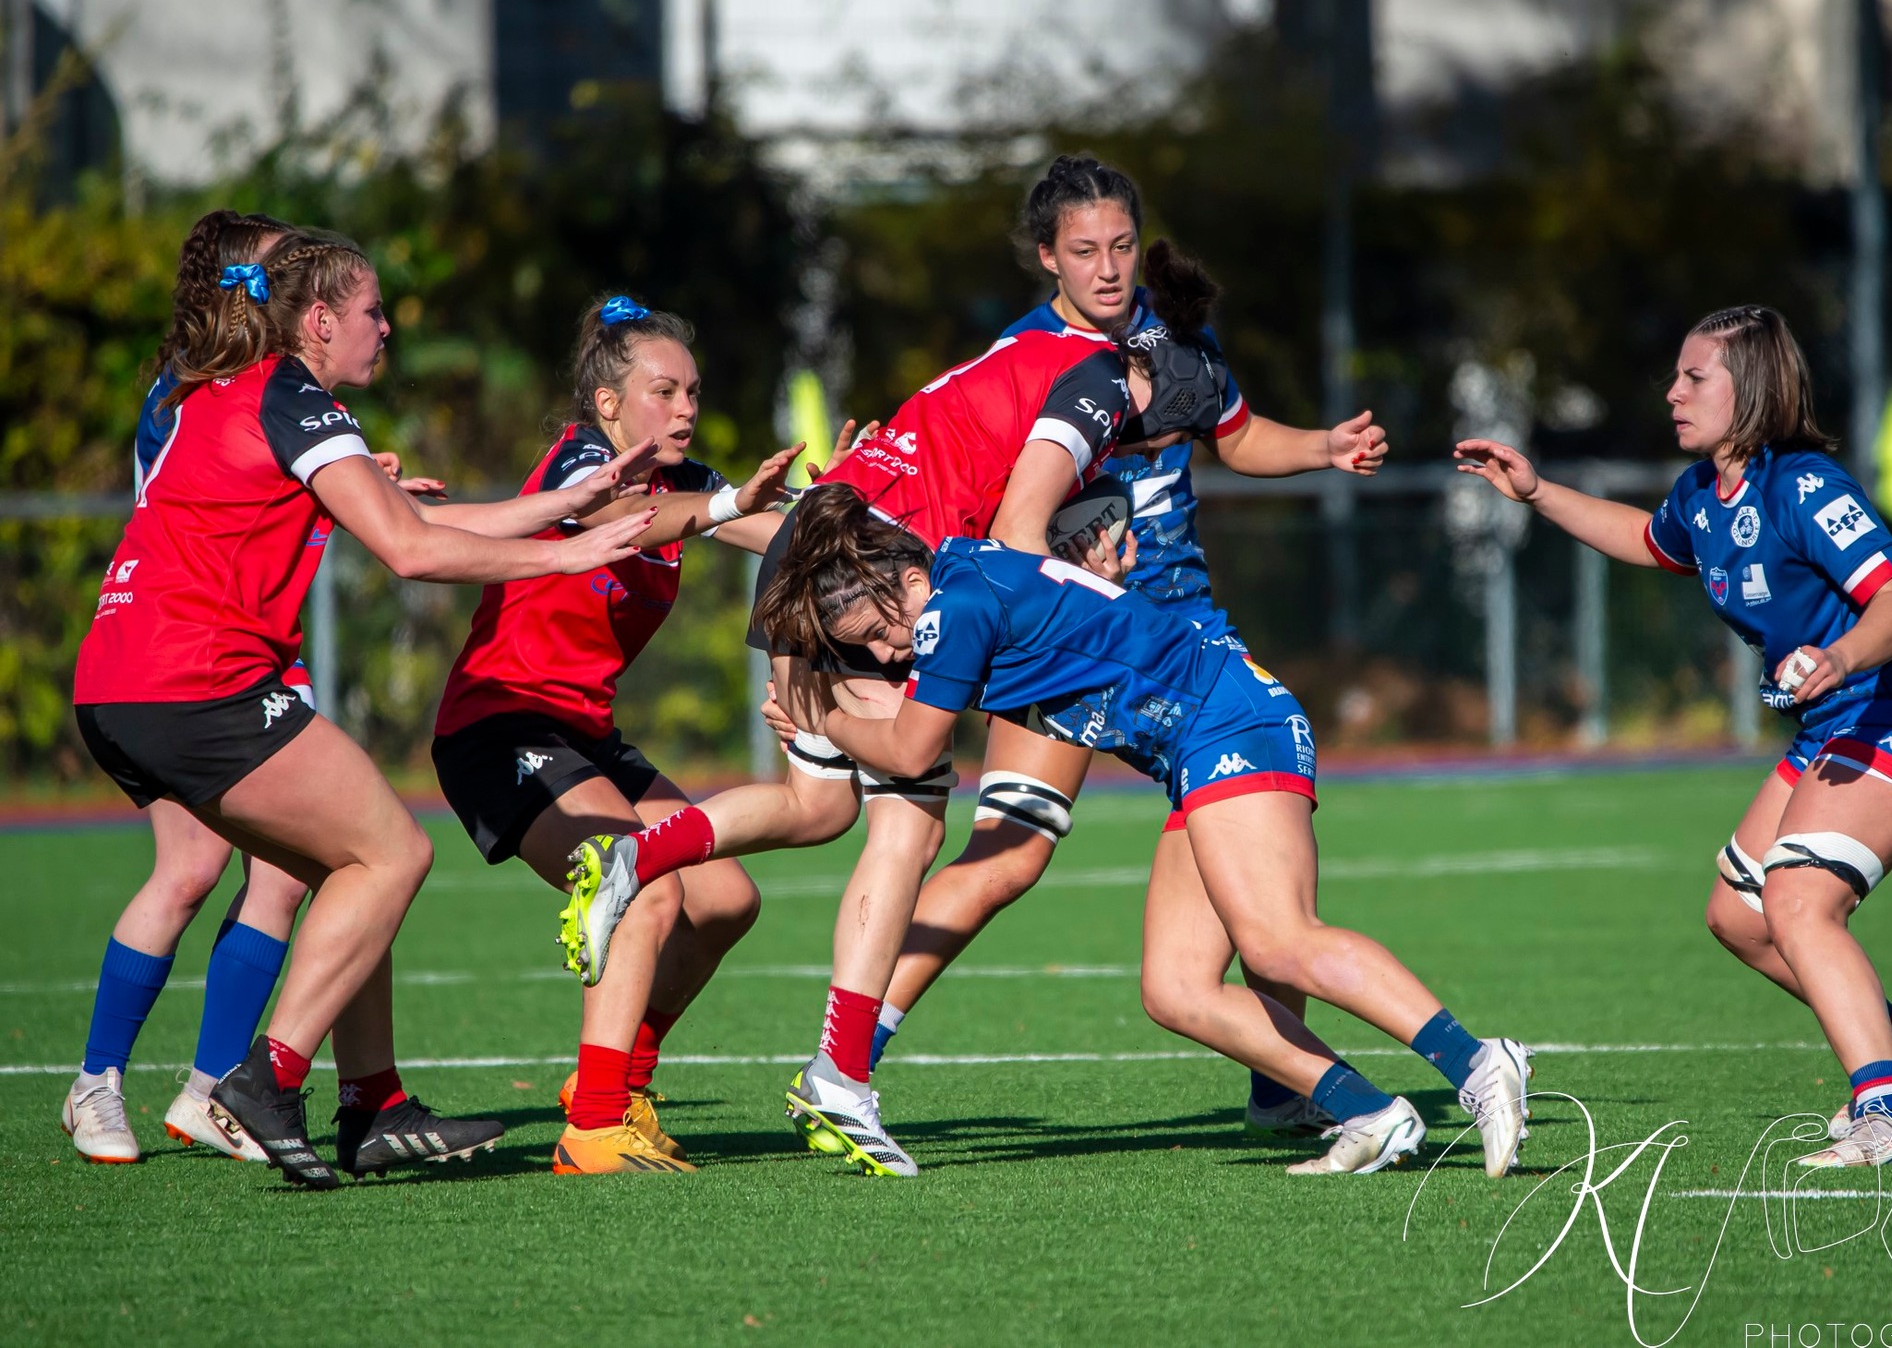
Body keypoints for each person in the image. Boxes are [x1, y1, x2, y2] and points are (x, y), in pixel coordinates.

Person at [72, 228, 658, 1188]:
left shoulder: (230, 393)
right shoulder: (292, 396)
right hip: (199, 680)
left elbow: (418, 522)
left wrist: (571, 502)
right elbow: (413, 551)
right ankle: (263, 1079)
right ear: (318, 320)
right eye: (372, 311)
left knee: (343, 866)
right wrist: (567, 554)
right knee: (395, 851)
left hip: (120, 682)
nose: (386, 328)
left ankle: (373, 1101)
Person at [751, 491, 1534, 1178]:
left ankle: (1476, 1062)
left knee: (1277, 942)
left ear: (906, 578)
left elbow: (912, 748)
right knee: (1177, 989)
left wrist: (822, 720)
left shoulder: (952, 609)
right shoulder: (963, 574)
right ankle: (1368, 1111)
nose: (886, 654)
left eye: (880, 633)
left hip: (1230, 721)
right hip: (1198, 741)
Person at [554, 304, 1147, 1176]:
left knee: (817, 804)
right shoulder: (1093, 385)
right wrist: (1078, 585)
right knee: (909, 820)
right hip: (863, 558)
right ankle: (841, 1074)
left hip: (831, 538)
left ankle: (638, 861)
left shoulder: (1025, 362)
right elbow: (1006, 554)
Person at [868, 156, 1391, 1141]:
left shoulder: (1170, 337)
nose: (1107, 269)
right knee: (1005, 855)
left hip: (1179, 637)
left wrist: (1320, 445)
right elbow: (985, 504)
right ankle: (850, 1055)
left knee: (1251, 874)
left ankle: (1289, 1085)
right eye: (1082, 252)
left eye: (1118, 246)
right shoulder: (1024, 363)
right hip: (1068, 645)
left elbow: (1232, 437)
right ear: (1044, 260)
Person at [1456, 305, 1892, 1167]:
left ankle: (1891, 1117)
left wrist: (1841, 655)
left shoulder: (1802, 485)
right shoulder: (1700, 495)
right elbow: (1646, 539)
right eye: (1676, 374)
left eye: (1694, 377)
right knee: (1738, 916)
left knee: (1798, 901)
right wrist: (1536, 491)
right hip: (1839, 719)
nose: (1673, 391)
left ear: (1752, 391)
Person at [62, 209, 440, 1167]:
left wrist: (357, 477)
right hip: (187, 653)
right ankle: (98, 1082)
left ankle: (213, 1088)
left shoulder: (259, 390)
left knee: (291, 867)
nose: (303, 291)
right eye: (283, 275)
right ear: (245, 289)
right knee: (191, 869)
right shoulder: (195, 390)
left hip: (234, 649)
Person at [431, 294, 797, 1175]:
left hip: (582, 732)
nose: (684, 409)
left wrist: (873, 503)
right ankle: (594, 1129)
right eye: (663, 392)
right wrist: (717, 509)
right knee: (639, 883)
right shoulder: (582, 460)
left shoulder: (687, 483)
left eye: (693, 393)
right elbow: (608, 519)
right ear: (608, 404)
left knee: (723, 899)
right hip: (499, 723)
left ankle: (620, 1082)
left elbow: (790, 531)